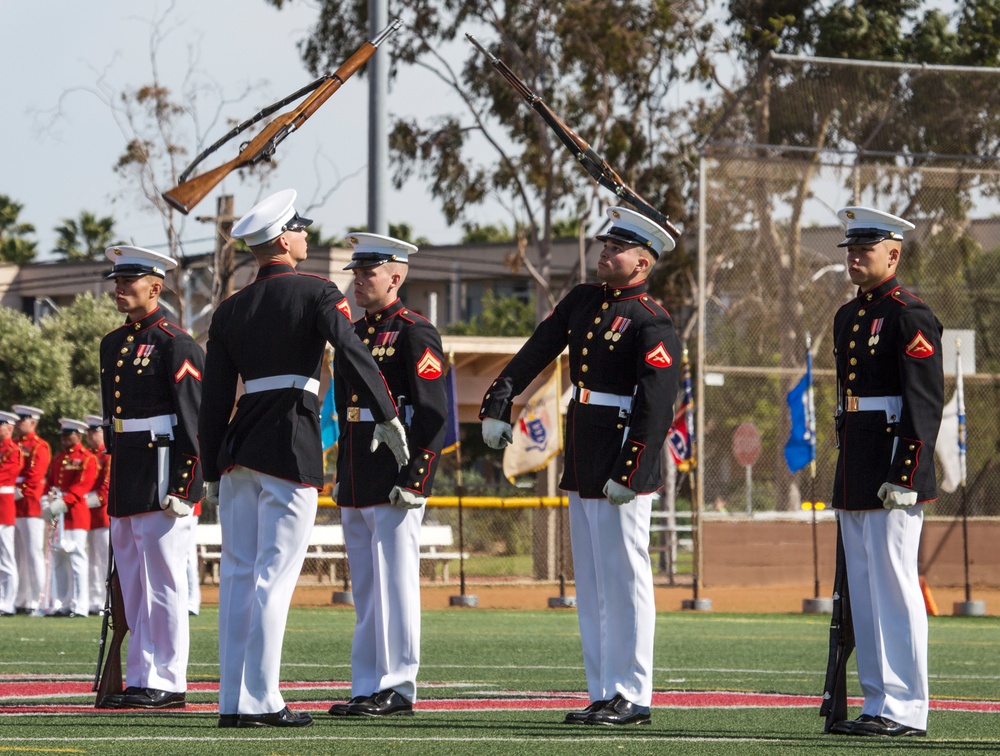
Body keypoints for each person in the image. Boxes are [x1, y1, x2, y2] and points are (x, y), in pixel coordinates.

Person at [199, 189, 409, 729]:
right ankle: (264, 699)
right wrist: (388, 414)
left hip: (237, 449)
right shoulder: (317, 293)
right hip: (289, 442)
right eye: (301, 229)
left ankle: (233, 703)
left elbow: (216, 398)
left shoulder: (229, 308)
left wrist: (206, 466)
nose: (308, 237)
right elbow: (353, 351)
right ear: (283, 240)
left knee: (240, 576)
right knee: (275, 575)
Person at [479, 207, 681, 726]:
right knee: (591, 583)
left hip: (621, 460)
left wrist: (631, 469)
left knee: (627, 578)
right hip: (585, 450)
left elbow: (656, 405)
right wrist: (499, 398)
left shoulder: (651, 320)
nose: (604, 253)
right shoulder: (584, 301)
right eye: (605, 245)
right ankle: (602, 690)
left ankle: (633, 694)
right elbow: (538, 350)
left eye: (616, 248)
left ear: (642, 263)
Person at [827, 207, 942, 738]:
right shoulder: (849, 316)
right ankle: (877, 701)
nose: (853, 256)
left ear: (893, 254)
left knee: (895, 588)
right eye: (850, 248)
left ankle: (906, 707)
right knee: (866, 591)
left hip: (894, 465)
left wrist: (908, 471)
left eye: (864, 249)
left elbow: (924, 402)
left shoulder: (909, 316)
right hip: (857, 464)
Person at [328, 233, 447, 718]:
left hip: (397, 477)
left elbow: (434, 414)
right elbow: (344, 409)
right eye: (355, 272)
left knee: (396, 584)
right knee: (367, 587)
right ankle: (366, 684)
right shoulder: (353, 333)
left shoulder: (415, 332)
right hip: (358, 473)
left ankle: (397, 685)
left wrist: (417, 477)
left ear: (396, 277)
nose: (358, 280)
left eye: (368, 272)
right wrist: (342, 475)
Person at [97, 245, 204, 710]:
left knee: (164, 582)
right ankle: (139, 677)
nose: (120, 289)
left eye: (129, 282)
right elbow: (110, 418)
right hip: (126, 468)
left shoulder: (175, 343)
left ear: (155, 287)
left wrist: (184, 484)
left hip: (162, 470)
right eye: (117, 282)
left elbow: (193, 423)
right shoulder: (112, 342)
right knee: (133, 585)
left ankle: (168, 677)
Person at [43, 418, 98, 617]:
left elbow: (82, 486)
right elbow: (49, 483)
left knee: (76, 559)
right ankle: (63, 602)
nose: (64, 439)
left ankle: (79, 605)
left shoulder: (87, 458)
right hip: (60, 517)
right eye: (63, 435)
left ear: (79, 435)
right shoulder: (59, 458)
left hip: (75, 515)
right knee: (59, 561)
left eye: (68, 435)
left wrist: (60, 503)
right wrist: (46, 502)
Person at [12, 405, 51, 615]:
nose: (18, 424)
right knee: (18, 555)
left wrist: (16, 490)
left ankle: (38, 598)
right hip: (13, 506)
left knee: (34, 553)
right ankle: (21, 598)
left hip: (30, 505)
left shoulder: (39, 446)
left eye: (22, 420)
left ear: (33, 422)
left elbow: (35, 475)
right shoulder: (14, 445)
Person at [82, 414, 111, 616]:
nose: (90, 436)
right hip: (86, 515)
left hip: (101, 513)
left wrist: (84, 501)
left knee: (102, 561)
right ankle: (93, 599)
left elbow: (105, 488)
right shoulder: (88, 456)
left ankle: (104, 600)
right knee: (91, 559)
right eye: (89, 433)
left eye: (94, 432)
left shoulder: (107, 455)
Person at [0, 411, 23, 616]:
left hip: (3, 507)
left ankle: (8, 602)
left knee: (7, 557)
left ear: (9, 427)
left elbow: (5, 476)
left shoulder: (13, 451)